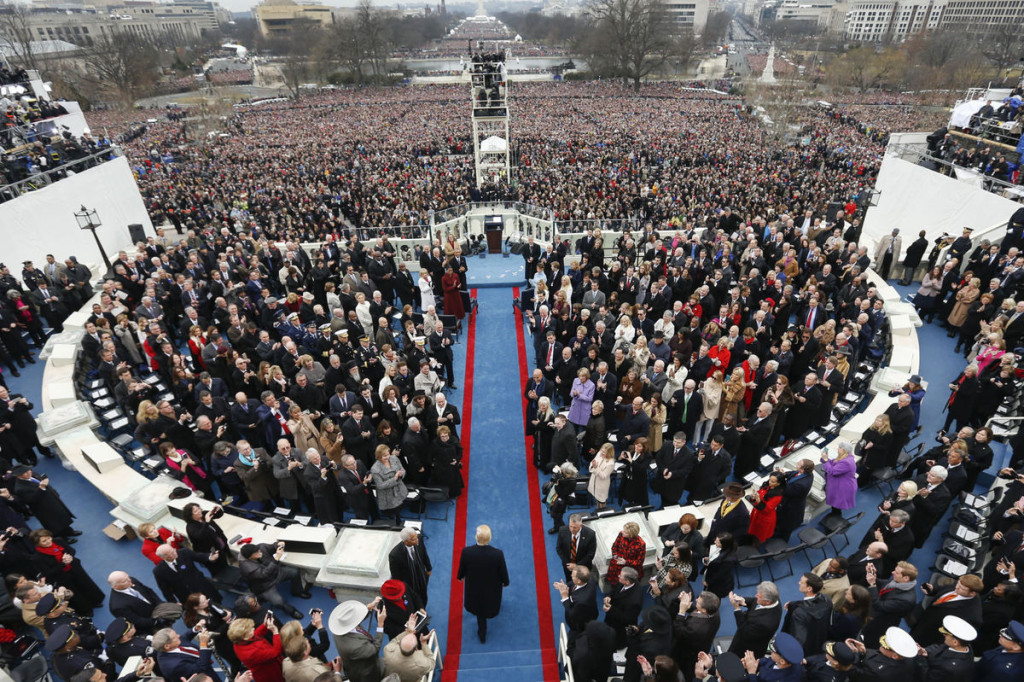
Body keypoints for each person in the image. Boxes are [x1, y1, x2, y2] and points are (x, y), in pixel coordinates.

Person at [456, 524, 509, 643]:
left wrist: (460, 577)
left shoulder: (467, 552)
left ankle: (482, 631)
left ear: (476, 537)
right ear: (489, 538)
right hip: (492, 586)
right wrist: (505, 582)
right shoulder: (497, 554)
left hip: (474, 586)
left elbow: (462, 567)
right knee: (489, 603)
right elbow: (502, 570)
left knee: (478, 608)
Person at [238, 542, 311, 620]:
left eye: (259, 550)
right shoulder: (246, 567)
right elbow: (264, 575)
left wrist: (279, 545)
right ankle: (292, 611)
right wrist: (276, 559)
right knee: (278, 602)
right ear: (250, 557)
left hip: (276, 573)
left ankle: (297, 591)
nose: (260, 552)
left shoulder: (260, 548)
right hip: (265, 585)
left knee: (295, 572)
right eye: (257, 553)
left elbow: (272, 546)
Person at [910, 574, 983, 646]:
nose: (956, 587)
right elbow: (944, 590)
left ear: (972, 593)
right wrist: (932, 591)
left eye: (961, 588)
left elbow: (956, 638)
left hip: (931, 634)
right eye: (958, 583)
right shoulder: (960, 583)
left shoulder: (972, 616)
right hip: (925, 617)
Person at [862, 560, 918, 648]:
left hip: (879, 625)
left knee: (867, 644)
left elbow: (879, 605)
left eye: (896, 572)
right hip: (873, 616)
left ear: (906, 578)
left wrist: (872, 584)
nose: (892, 572)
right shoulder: (899, 583)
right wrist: (873, 575)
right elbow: (883, 584)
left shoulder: (906, 600)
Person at [328, 599, 386, 682]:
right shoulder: (355, 647)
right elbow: (374, 649)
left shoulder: (338, 629)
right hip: (365, 673)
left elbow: (354, 621)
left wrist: (368, 608)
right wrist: (380, 624)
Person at [671, 591, 721, 678]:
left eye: (698, 601)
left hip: (689, 654)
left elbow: (678, 631)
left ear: (704, 610)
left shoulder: (696, 629)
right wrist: (684, 602)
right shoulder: (714, 611)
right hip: (702, 644)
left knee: (685, 672)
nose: (696, 599)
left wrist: (682, 611)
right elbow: (697, 610)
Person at [726, 582, 782, 659]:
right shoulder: (774, 599)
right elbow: (754, 601)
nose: (756, 596)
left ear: (767, 602)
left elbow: (744, 630)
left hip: (746, 651)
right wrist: (743, 600)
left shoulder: (765, 623)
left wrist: (737, 608)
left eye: (759, 596)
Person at [782, 572, 833, 655]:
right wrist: (793, 604)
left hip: (804, 652)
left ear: (809, 589)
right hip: (819, 642)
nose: (799, 583)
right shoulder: (827, 600)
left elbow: (798, 638)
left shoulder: (799, 613)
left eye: (801, 582)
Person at [916, 615, 976, 682]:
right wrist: (927, 652)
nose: (944, 635)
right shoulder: (965, 646)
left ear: (955, 642)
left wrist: (921, 657)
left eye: (946, 634)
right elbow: (942, 647)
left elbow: (927, 678)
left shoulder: (949, 668)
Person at [153, 626, 222, 682]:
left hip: (208, 672)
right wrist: (203, 644)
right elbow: (201, 668)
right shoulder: (174, 666)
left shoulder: (168, 646)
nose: (178, 636)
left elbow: (184, 638)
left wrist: (195, 629)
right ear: (167, 646)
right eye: (175, 637)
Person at [227, 615, 283, 682]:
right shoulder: (252, 653)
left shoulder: (238, 642)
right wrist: (275, 631)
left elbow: (255, 635)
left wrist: (264, 625)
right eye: (250, 629)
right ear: (244, 637)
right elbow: (276, 652)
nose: (253, 629)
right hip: (270, 674)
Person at [603, 566, 645, 649]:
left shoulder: (635, 601)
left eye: (620, 576)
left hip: (619, 627)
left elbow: (628, 618)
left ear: (627, 582)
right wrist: (609, 596)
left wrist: (610, 609)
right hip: (611, 620)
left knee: (616, 642)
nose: (618, 576)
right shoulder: (625, 582)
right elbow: (615, 589)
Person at [388, 528, 431, 607]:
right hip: (409, 584)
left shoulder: (419, 540)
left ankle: (423, 610)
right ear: (406, 541)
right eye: (414, 539)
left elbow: (424, 554)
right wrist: (401, 590)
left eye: (416, 537)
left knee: (423, 596)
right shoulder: (395, 555)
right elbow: (396, 576)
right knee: (412, 602)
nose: (417, 540)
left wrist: (429, 568)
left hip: (422, 577)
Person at [774, 459, 815, 541]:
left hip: (791, 508)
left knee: (786, 527)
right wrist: (784, 474)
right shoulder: (807, 474)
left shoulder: (800, 485)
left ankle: (782, 544)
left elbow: (785, 491)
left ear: (802, 469)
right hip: (790, 504)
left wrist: (778, 480)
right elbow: (794, 473)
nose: (797, 463)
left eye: (799, 464)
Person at [738, 630, 803, 682]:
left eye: (773, 651)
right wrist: (753, 663)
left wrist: (751, 672)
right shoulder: (787, 660)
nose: (771, 651)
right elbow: (768, 661)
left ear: (782, 661)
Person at [371, 444, 408, 523]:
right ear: (379, 456)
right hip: (387, 495)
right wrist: (394, 479)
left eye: (388, 454)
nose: (387, 457)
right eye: (384, 456)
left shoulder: (394, 458)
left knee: (400, 508)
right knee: (391, 513)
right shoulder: (375, 469)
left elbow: (402, 469)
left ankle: (398, 519)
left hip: (399, 489)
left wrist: (401, 474)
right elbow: (380, 485)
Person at [556, 513, 597, 583]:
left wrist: (576, 566)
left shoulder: (590, 534)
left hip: (583, 566)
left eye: (574, 527)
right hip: (568, 565)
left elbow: (591, 554)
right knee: (570, 581)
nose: (572, 529)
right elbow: (559, 548)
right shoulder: (562, 530)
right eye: (570, 526)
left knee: (583, 583)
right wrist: (567, 563)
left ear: (581, 525)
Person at [822, 442, 858, 518]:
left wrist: (825, 461)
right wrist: (826, 459)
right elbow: (833, 462)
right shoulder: (845, 457)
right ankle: (834, 515)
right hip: (840, 485)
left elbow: (833, 471)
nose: (838, 449)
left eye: (839, 447)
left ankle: (835, 520)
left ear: (843, 450)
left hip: (843, 488)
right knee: (835, 505)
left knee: (837, 505)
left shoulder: (846, 462)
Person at [748, 472, 786, 543]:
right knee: (752, 530)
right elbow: (760, 493)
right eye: (769, 480)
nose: (769, 482)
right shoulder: (767, 485)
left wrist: (758, 500)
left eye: (772, 482)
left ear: (779, 483)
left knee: (759, 537)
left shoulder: (778, 496)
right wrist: (753, 496)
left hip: (764, 517)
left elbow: (767, 509)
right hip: (757, 513)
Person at [606, 521, 646, 586]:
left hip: (630, 569)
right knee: (614, 584)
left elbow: (639, 561)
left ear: (631, 534)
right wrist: (616, 556)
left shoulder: (641, 544)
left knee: (627, 586)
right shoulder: (621, 534)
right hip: (617, 566)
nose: (623, 532)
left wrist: (626, 562)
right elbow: (614, 546)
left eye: (625, 532)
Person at [703, 532, 738, 599]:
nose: (715, 542)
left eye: (718, 542)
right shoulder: (728, 548)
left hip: (718, 585)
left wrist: (708, 582)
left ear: (724, 544)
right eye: (716, 540)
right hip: (714, 576)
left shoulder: (728, 560)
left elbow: (719, 575)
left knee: (714, 597)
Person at [587, 442, 616, 510]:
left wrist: (596, 467)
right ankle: (598, 511)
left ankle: (602, 513)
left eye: (604, 452)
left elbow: (603, 476)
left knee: (601, 500)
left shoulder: (611, 463)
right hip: (594, 480)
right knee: (597, 498)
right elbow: (593, 462)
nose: (601, 453)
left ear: (609, 453)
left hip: (602, 484)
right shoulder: (599, 453)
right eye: (602, 451)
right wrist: (593, 465)